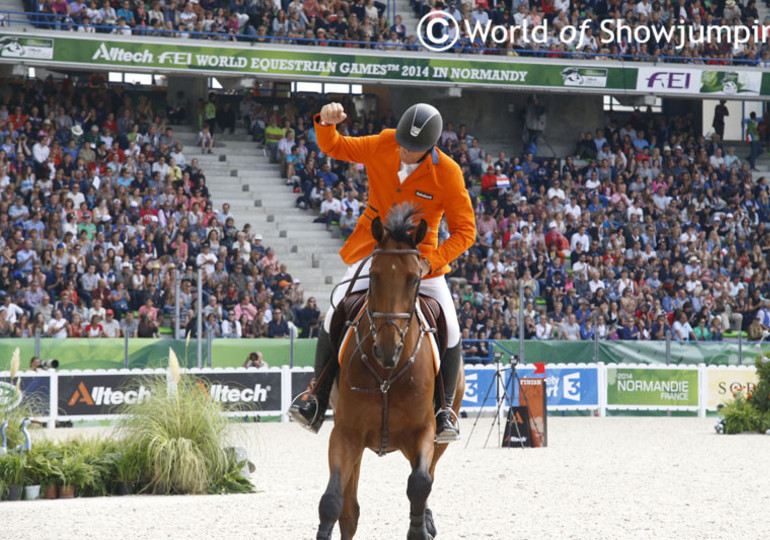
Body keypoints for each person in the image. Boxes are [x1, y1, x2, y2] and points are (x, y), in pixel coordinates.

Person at [289, 102, 476, 443]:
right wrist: (326, 123)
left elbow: (466, 232)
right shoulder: (384, 142)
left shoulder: (447, 172)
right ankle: (314, 397)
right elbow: (335, 147)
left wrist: (429, 263)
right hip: (374, 254)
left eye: (413, 148)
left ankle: (444, 410)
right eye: (403, 143)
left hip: (422, 263)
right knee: (334, 313)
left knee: (451, 328)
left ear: (430, 147)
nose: (404, 150)